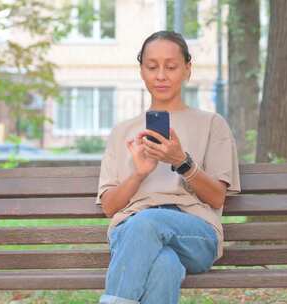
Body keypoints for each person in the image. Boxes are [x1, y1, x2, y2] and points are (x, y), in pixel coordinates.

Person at [95, 31, 241, 304]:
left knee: (149, 221)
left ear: (187, 69)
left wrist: (181, 162)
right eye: (152, 67)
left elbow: (217, 198)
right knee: (165, 264)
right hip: (131, 233)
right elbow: (110, 207)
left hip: (195, 234)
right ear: (142, 71)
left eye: (171, 67)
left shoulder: (212, 124)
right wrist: (139, 173)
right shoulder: (122, 132)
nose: (161, 75)